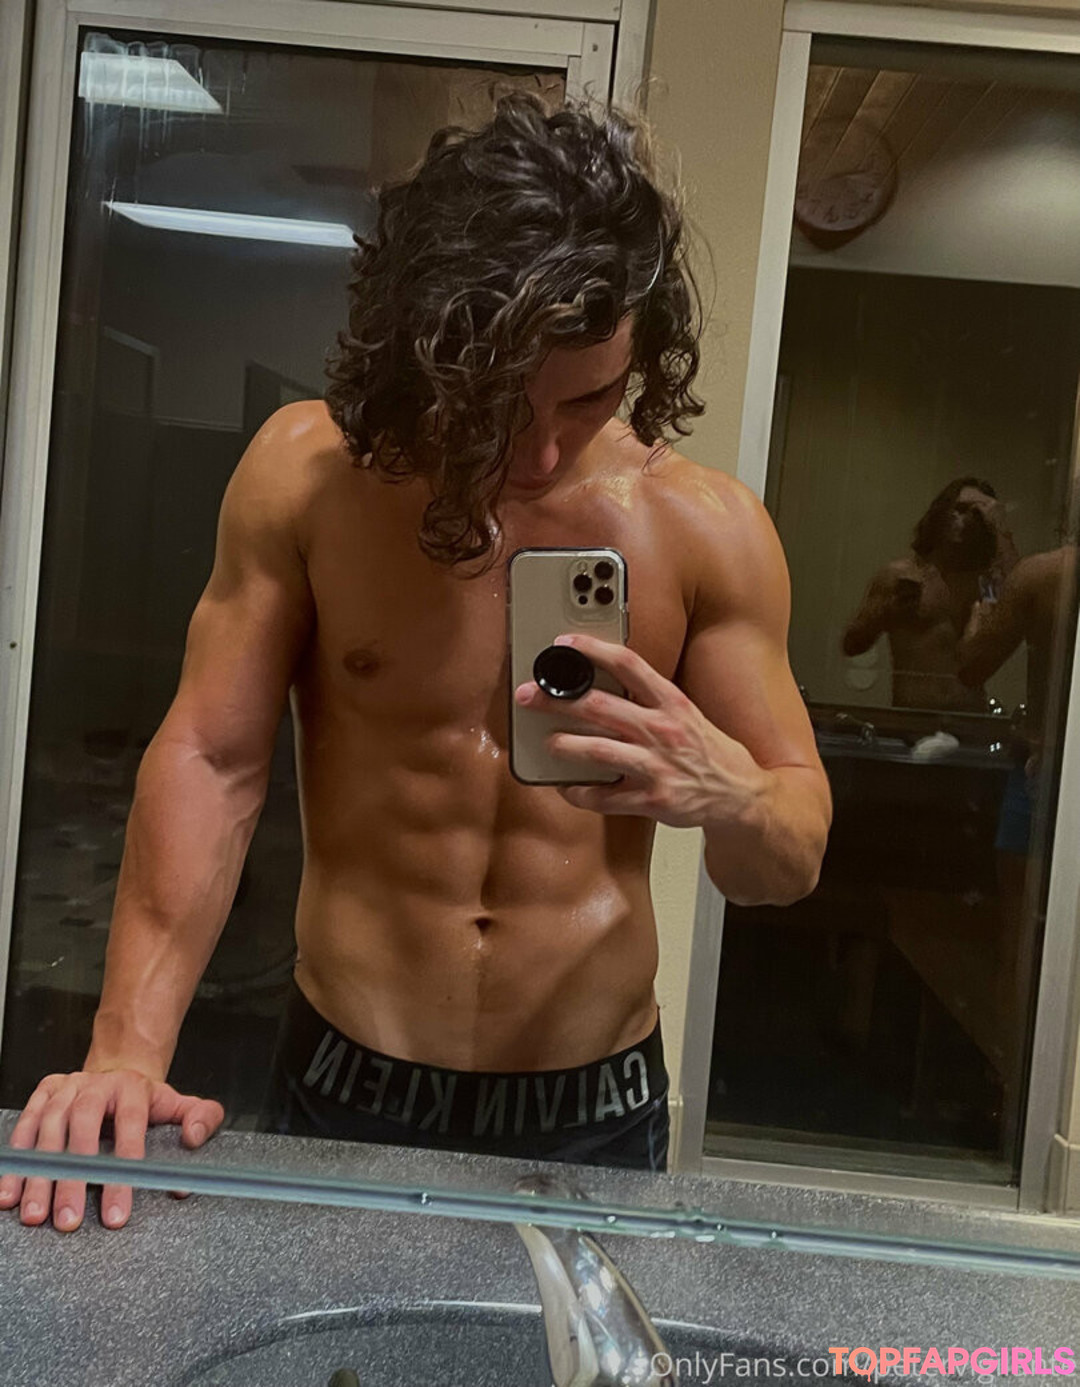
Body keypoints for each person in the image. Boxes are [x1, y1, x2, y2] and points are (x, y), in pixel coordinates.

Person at [0, 97, 830, 1230]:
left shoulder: (708, 531)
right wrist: (125, 1052)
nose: (540, 453)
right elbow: (212, 758)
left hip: (594, 1107)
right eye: (497, 406)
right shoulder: (309, 479)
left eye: (589, 398)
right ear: (422, 345)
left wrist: (726, 792)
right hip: (348, 1080)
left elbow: (787, 857)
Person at [842, 477, 1018, 711]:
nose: (963, 519)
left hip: (969, 719)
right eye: (958, 509)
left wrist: (999, 526)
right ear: (941, 512)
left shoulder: (984, 583)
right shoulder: (901, 575)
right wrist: (885, 613)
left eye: (975, 514)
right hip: (911, 719)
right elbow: (851, 645)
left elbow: (1021, 590)